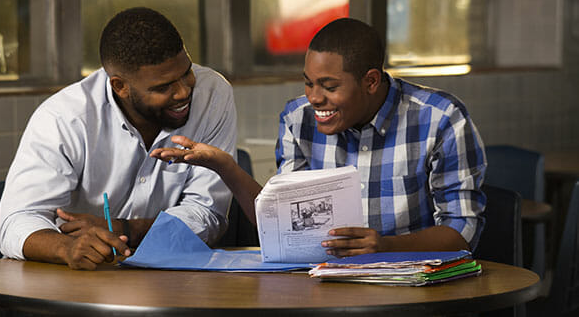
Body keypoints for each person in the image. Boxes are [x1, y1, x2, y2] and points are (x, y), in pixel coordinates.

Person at [151, 18, 486, 258]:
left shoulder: (441, 119)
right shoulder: (298, 120)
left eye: (329, 86)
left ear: (370, 81)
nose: (313, 97)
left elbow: (462, 232)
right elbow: (280, 226)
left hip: (416, 289)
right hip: (327, 286)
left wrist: (385, 246)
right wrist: (224, 165)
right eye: (308, 82)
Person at [0, 7, 237, 270]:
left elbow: (208, 214)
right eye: (163, 87)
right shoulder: (64, 118)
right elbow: (16, 222)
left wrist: (126, 229)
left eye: (186, 73)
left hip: (169, 275)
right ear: (120, 86)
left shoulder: (212, 94)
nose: (183, 92)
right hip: (82, 278)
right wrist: (66, 247)